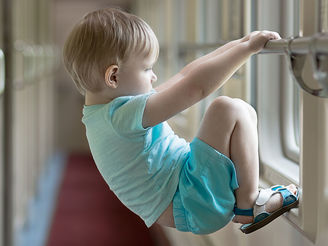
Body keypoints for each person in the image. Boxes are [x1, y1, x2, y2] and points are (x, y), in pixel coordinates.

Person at [63, 7, 299, 234]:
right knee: (227, 109)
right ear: (113, 76)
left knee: (243, 112)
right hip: (189, 199)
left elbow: (184, 75)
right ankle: (250, 204)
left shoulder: (104, 114)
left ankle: (250, 200)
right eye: (146, 69)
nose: (154, 76)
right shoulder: (121, 117)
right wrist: (246, 50)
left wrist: (241, 43)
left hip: (188, 196)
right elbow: (195, 87)